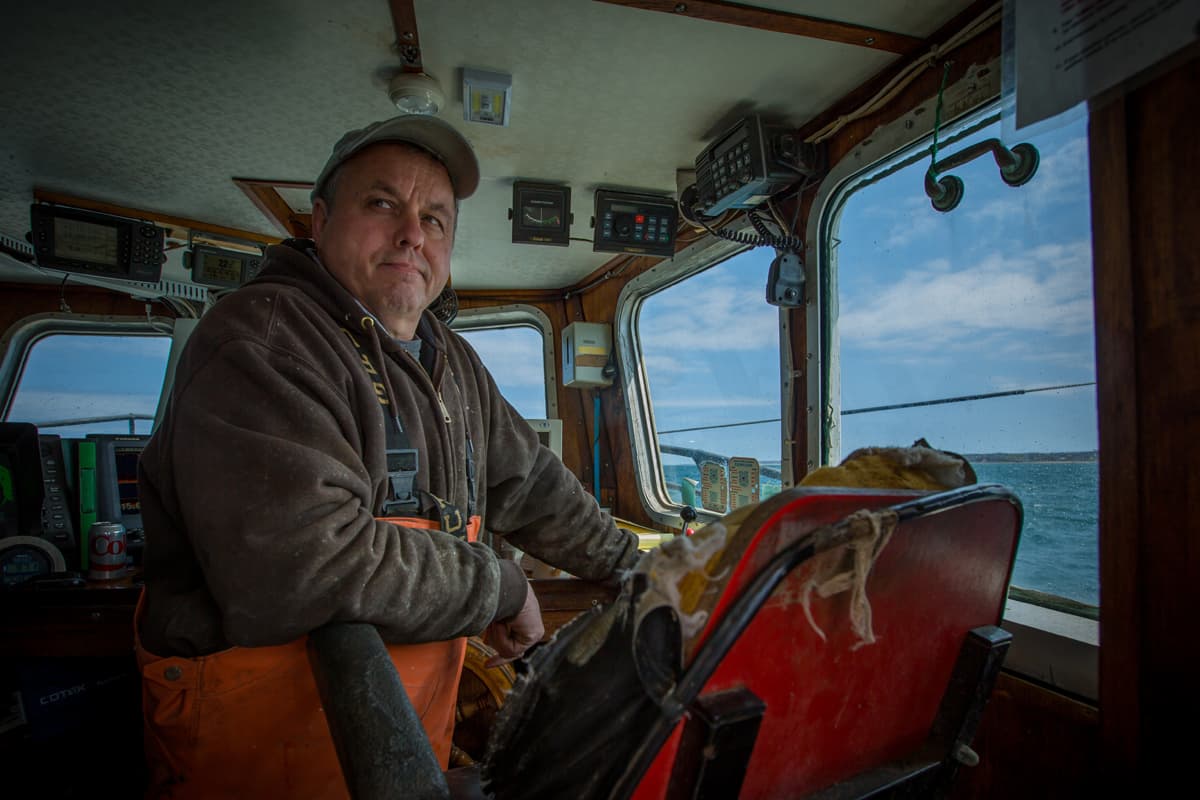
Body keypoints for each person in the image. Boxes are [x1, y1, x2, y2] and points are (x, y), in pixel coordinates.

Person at [135, 115, 641, 798]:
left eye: (435, 219)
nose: (412, 234)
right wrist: (499, 585)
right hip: (259, 743)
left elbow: (534, 486)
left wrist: (641, 573)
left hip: (401, 738)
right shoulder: (261, 342)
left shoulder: (451, 359)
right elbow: (306, 566)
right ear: (319, 220)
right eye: (383, 205)